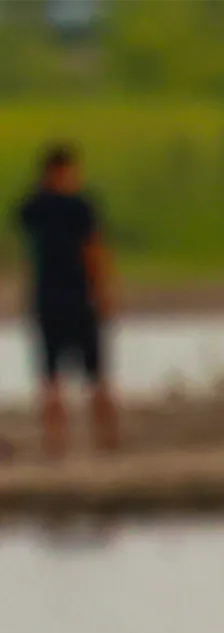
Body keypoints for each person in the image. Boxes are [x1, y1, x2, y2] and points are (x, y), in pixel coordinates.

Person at [13, 143, 119, 457]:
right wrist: (103, 291)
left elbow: (29, 253)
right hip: (78, 297)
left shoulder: (32, 208)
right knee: (96, 374)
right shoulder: (80, 207)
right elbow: (92, 251)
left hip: (47, 299)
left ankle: (55, 445)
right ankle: (107, 440)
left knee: (50, 377)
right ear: (65, 170)